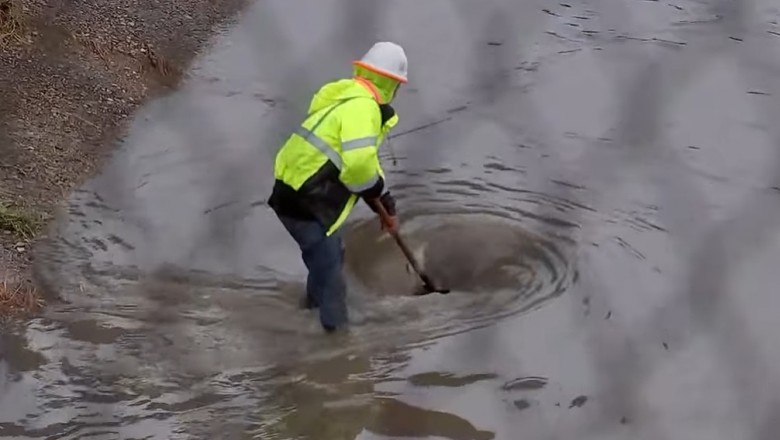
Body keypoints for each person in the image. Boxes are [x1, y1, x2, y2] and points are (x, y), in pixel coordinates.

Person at [267, 41, 408, 333]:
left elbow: (364, 162)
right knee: (330, 271)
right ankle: (337, 343)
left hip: (292, 193)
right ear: (392, 84)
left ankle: (309, 311)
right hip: (306, 201)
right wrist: (376, 190)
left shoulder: (346, 99)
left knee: (329, 256)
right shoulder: (363, 109)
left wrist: (386, 204)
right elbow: (358, 169)